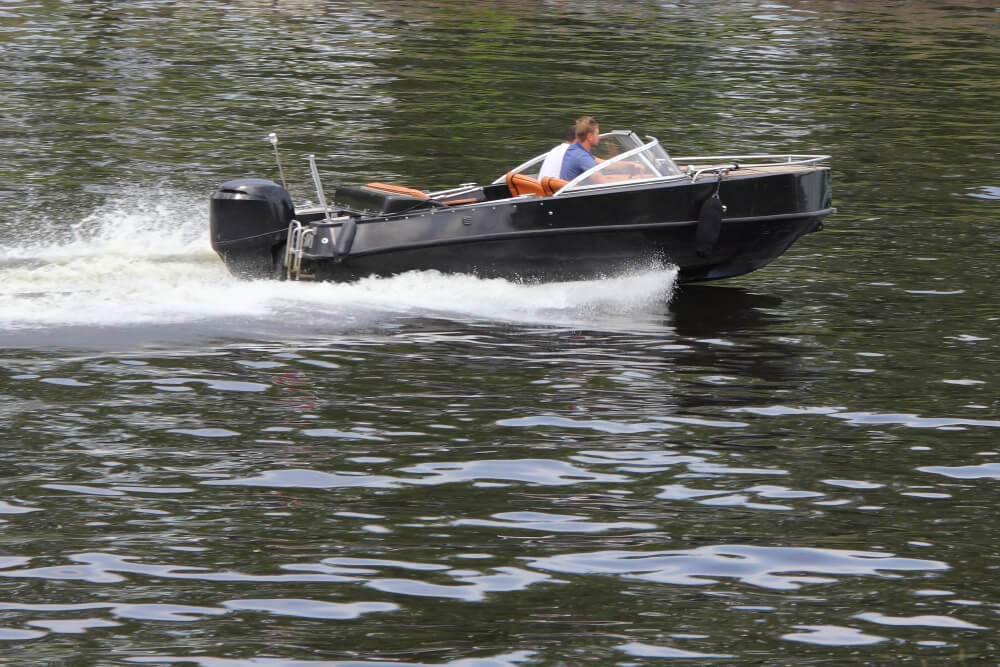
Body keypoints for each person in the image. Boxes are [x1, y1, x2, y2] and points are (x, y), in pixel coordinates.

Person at [559, 116, 601, 181]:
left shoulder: (573, 149)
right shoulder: (582, 156)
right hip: (573, 190)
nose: (599, 137)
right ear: (589, 136)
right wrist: (622, 178)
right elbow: (602, 180)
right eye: (597, 134)